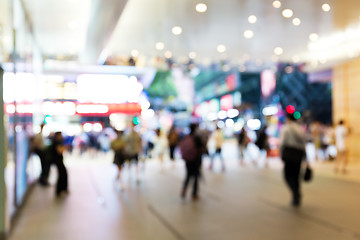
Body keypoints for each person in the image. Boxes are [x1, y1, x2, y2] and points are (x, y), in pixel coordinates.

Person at [279, 114, 308, 207]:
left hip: (289, 153)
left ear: (288, 119)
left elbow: (282, 142)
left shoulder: (286, 128)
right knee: (296, 176)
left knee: (287, 176)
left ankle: (295, 193)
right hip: (298, 154)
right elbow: (304, 143)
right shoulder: (300, 129)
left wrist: (281, 154)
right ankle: (297, 194)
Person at [180, 123, 204, 200]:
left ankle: (184, 189)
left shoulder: (186, 137)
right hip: (195, 160)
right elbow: (201, 148)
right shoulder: (196, 138)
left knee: (188, 175)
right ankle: (194, 194)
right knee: (195, 177)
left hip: (188, 160)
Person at [51, 132, 69, 197]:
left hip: (59, 161)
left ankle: (63, 189)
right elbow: (59, 150)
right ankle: (59, 191)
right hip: (58, 161)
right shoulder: (57, 142)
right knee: (62, 174)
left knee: (63, 174)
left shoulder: (58, 141)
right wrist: (65, 148)